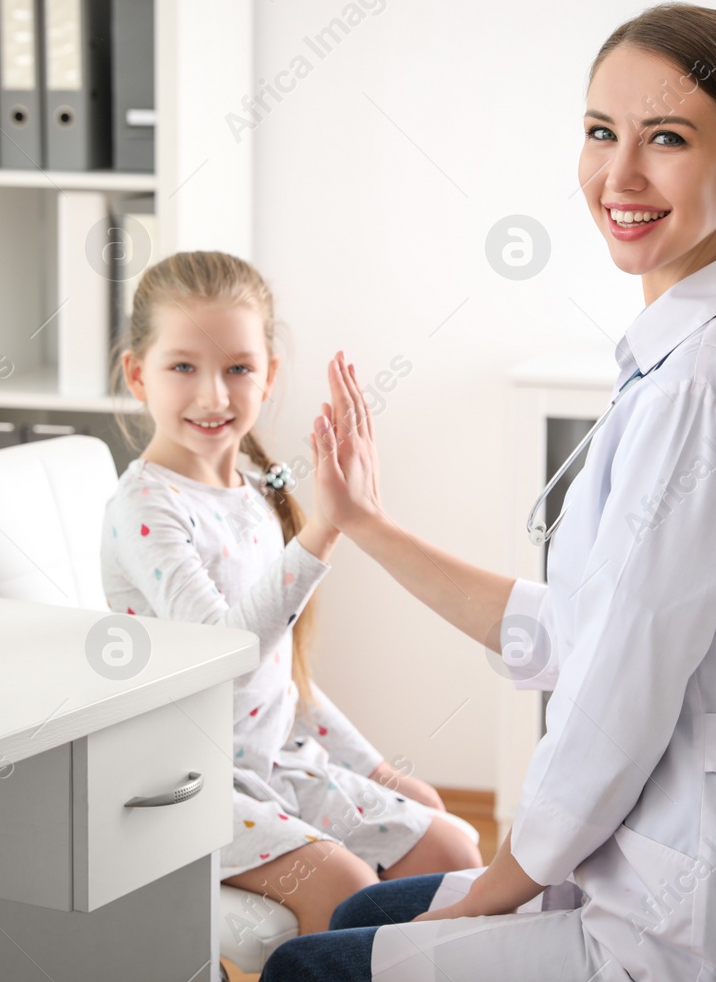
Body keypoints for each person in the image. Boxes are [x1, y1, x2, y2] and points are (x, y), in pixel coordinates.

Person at [264, 1, 716, 981]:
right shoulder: (698, 352)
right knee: (366, 909)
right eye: (600, 133)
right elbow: (580, 631)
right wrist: (363, 523)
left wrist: (499, 884)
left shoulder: (711, 389)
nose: (619, 175)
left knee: (308, 967)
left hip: (710, 922)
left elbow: (616, 699)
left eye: (665, 138)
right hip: (699, 866)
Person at [100, 251, 483, 938]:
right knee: (347, 893)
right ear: (137, 373)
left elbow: (287, 683)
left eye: (238, 368)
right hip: (188, 781)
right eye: (182, 366)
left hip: (278, 763)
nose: (214, 395)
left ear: (269, 374)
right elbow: (231, 656)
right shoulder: (145, 507)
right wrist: (327, 531)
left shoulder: (254, 499)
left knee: (452, 848)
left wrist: (380, 770)